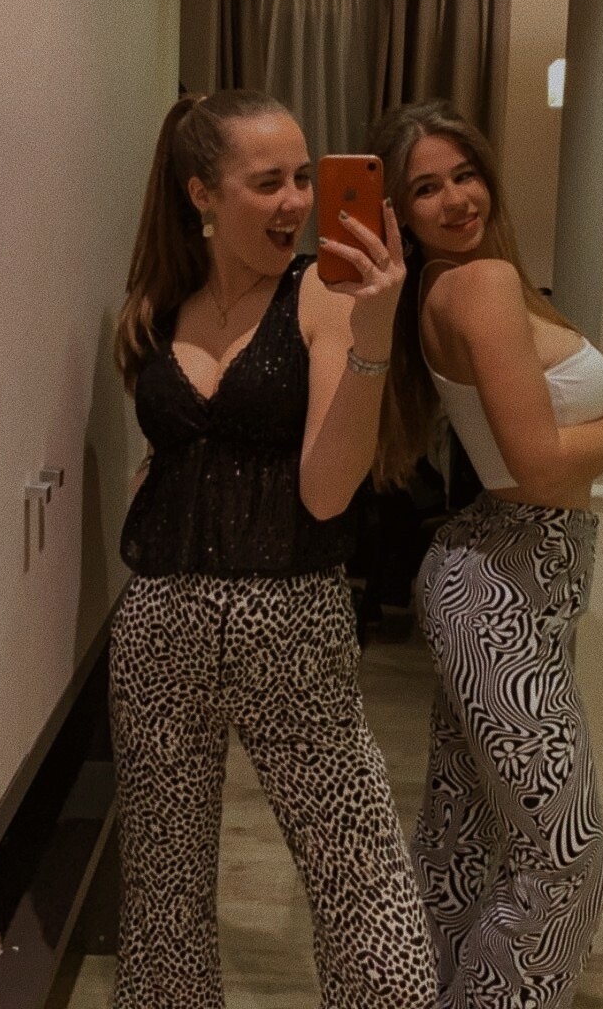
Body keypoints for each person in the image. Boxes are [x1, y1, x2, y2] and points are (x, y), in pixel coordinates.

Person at [110, 90, 438, 1009]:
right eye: (268, 182)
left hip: (291, 621)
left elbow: (327, 490)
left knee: (363, 883)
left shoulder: (323, 294)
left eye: (303, 176)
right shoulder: (156, 307)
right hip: (159, 626)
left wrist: (374, 333)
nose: (297, 201)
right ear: (201, 194)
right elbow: (166, 458)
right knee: (163, 902)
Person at [369, 100, 603, 1009]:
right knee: (565, 863)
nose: (455, 199)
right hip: (503, 584)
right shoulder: (478, 283)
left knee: (466, 845)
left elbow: (540, 439)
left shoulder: (477, 282)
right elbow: (539, 469)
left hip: (517, 575)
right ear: (398, 212)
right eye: (425, 189)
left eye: (464, 174)